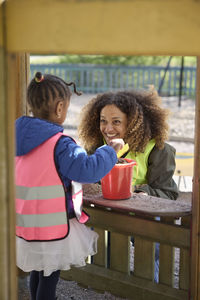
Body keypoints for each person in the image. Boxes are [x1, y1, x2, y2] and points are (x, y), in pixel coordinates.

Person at [15, 72, 124, 300]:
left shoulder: (14, 137)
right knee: (50, 275)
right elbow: (87, 170)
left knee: (39, 268)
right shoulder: (61, 144)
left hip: (25, 222)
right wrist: (110, 151)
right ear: (59, 108)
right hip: (52, 227)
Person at [78, 87, 179, 282]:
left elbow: (167, 192)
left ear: (133, 124)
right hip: (106, 216)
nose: (108, 129)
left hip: (142, 217)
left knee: (151, 246)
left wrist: (139, 193)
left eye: (116, 122)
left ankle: (150, 282)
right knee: (98, 242)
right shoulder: (95, 147)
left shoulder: (159, 150)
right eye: (103, 121)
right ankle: (108, 281)